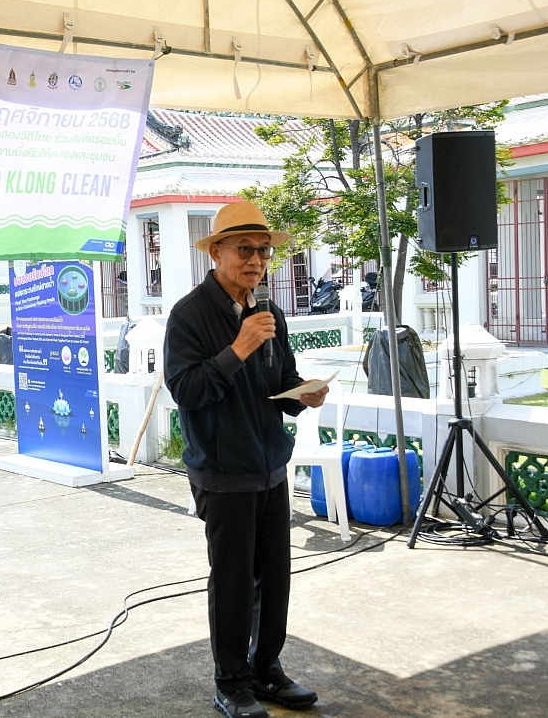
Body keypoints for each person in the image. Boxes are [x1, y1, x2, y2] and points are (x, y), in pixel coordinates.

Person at [164, 201, 328, 718]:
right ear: (216, 252)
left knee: (274, 579)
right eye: (244, 249)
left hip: (270, 466)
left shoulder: (269, 313)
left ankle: (266, 670)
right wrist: (237, 349)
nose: (256, 260)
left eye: (263, 251)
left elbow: (279, 380)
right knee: (234, 583)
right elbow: (186, 390)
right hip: (223, 470)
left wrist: (303, 394)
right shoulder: (189, 315)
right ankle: (231, 682)